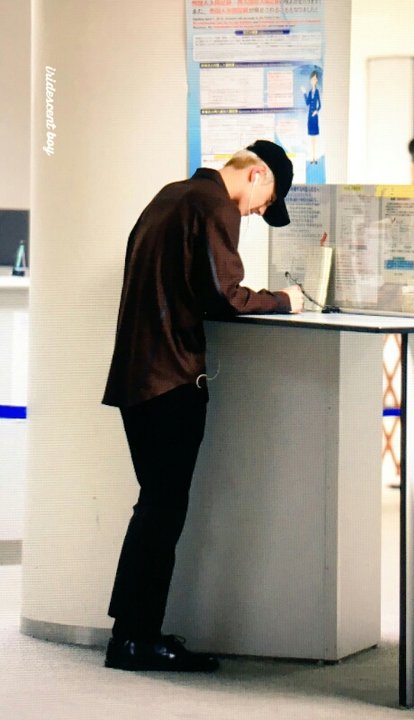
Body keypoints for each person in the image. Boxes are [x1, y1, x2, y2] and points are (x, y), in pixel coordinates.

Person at [102, 139, 303, 673]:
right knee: (163, 511)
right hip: (171, 379)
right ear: (257, 175)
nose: (258, 212)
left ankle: (131, 632)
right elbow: (225, 295)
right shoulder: (214, 205)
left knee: (154, 507)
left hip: (136, 377)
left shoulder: (170, 195)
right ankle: (136, 639)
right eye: (267, 201)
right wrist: (284, 300)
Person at [301, 70, 321, 163]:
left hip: (315, 117)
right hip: (310, 117)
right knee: (310, 138)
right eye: (313, 79)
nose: (314, 80)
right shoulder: (309, 92)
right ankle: (312, 157)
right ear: (311, 80)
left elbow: (319, 105)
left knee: (315, 138)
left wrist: (317, 111)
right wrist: (304, 93)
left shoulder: (317, 92)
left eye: (315, 79)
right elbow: (307, 103)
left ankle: (315, 157)